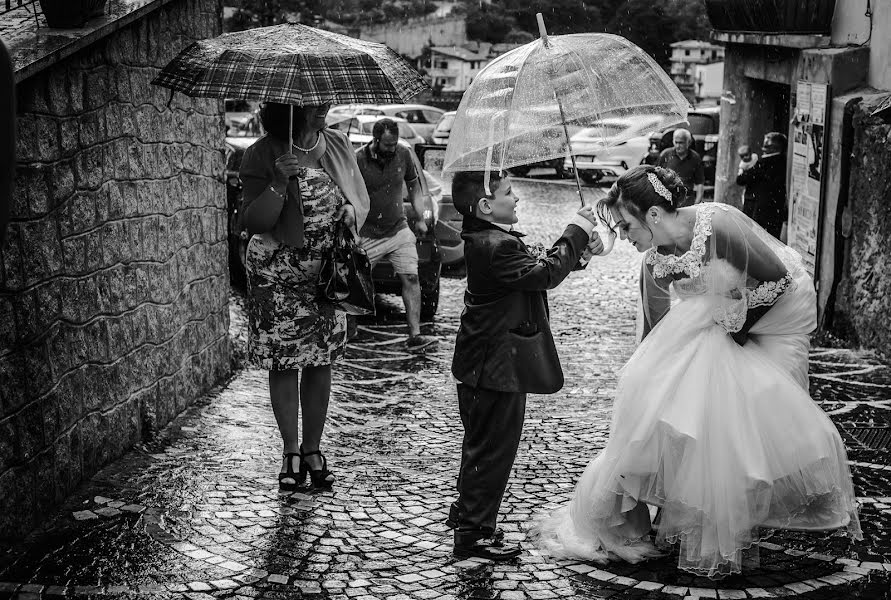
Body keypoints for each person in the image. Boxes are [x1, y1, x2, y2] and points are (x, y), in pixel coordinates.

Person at [537, 165, 861, 578]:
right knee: (679, 394)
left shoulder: (718, 225)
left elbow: (777, 281)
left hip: (776, 314)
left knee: (758, 408)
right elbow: (656, 330)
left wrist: (735, 327)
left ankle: (740, 498)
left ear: (653, 215)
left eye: (626, 225)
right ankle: (678, 502)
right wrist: (654, 377)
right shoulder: (654, 261)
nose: (624, 236)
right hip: (723, 317)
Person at [447, 170, 604, 560]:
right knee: (493, 450)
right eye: (508, 192)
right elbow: (545, 272)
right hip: (494, 367)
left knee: (483, 444)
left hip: (487, 363)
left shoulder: (492, 240)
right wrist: (578, 227)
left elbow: (538, 268)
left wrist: (579, 250)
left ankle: (469, 515)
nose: (516, 198)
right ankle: (473, 534)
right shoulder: (495, 245)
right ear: (486, 206)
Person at [239, 102, 370, 492]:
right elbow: (254, 221)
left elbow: (357, 197)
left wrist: (350, 210)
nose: (323, 109)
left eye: (325, 102)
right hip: (275, 276)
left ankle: (313, 449)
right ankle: (290, 451)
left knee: (320, 360)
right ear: (290, 108)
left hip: (326, 278)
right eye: (314, 105)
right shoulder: (261, 153)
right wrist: (279, 181)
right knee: (284, 361)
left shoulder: (338, 144)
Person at [355, 118, 437, 352]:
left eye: (395, 144)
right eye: (387, 145)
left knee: (411, 278)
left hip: (398, 229)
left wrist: (420, 217)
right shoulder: (358, 159)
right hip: (367, 232)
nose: (392, 149)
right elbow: (347, 192)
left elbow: (414, 186)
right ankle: (348, 329)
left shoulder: (403, 154)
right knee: (354, 283)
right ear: (376, 140)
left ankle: (415, 335)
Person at [737, 132, 787, 239]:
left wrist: (745, 168)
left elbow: (741, 179)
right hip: (774, 212)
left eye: (766, 147)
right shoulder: (783, 162)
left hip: (759, 212)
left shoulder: (764, 163)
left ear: (772, 149)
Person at [656, 129, 705, 206]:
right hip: (668, 200)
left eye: (681, 143)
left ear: (688, 142)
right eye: (676, 142)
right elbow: (657, 179)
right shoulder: (665, 155)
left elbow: (700, 183)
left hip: (687, 200)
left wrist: (696, 204)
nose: (678, 146)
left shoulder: (695, 158)